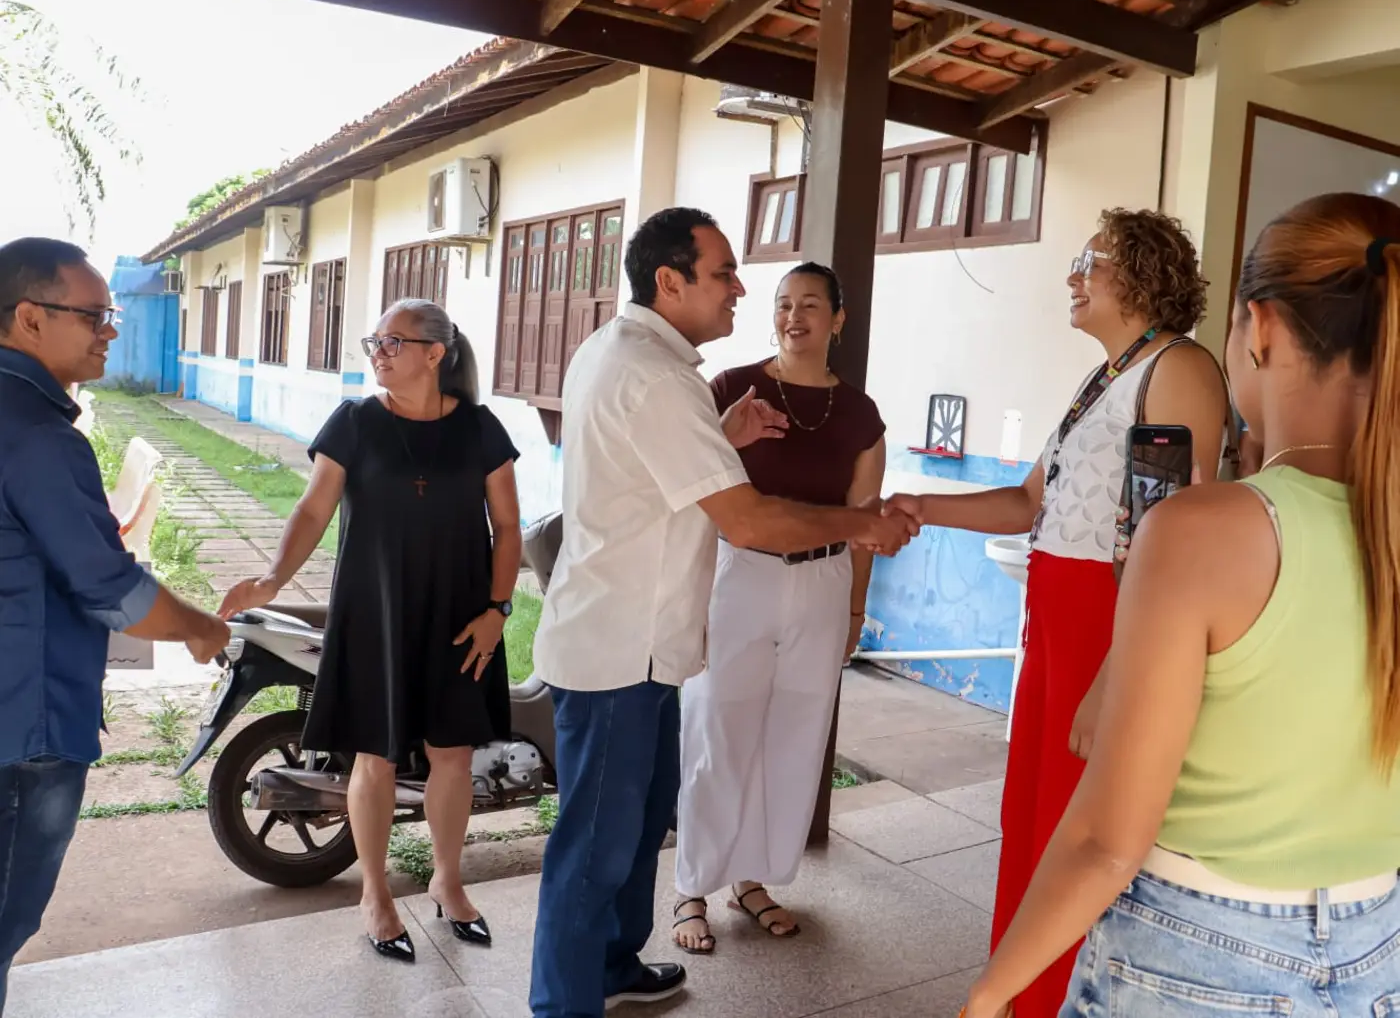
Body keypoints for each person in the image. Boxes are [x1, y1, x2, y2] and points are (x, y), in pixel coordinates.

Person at [959, 191, 1400, 1016]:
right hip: (1377, 947)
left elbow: (1105, 842)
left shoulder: (1204, 528)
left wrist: (989, 993)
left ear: (1259, 328)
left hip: (1194, 952)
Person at [528, 208, 918, 1018]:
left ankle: (613, 964)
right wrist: (861, 524)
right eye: (724, 274)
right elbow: (748, 520)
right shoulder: (659, 377)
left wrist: (722, 431)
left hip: (645, 642)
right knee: (596, 845)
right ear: (670, 282)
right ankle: (563, 1004)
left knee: (639, 822)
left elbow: (661, 471)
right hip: (616, 646)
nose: (741, 289)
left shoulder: (631, 354)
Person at [885, 209, 1230, 1018]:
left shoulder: (1177, 368)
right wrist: (922, 505)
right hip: (1055, 627)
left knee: (1078, 827)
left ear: (1140, 273)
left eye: (1090, 260)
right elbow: (1027, 501)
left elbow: (1172, 535)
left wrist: (1118, 673)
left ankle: (1058, 1000)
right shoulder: (1107, 375)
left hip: (1107, 630)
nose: (1073, 276)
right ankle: (1017, 995)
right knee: (1033, 817)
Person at [219, 299, 520, 963]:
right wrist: (270, 580)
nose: (377, 352)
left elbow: (507, 526)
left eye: (391, 341)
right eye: (375, 341)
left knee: (452, 755)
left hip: (460, 616)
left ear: (435, 353)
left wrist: (497, 611)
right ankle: (375, 893)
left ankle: (447, 881)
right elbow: (313, 508)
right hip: (375, 609)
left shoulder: (479, 428)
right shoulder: (355, 421)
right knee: (374, 756)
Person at [0, 237, 230, 1011]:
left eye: (112, 315)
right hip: (24, 728)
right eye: (94, 315)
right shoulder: (37, 435)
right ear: (30, 318)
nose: (110, 331)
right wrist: (197, 625)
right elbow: (108, 586)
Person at [671, 262, 886, 952]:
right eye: (785, 304)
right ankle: (691, 886)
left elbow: (865, 521)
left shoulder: (860, 414)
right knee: (717, 728)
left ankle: (752, 878)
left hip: (823, 582)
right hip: (740, 575)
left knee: (793, 734)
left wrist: (854, 611)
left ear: (838, 319)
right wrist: (691, 596)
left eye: (811, 304)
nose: (795, 317)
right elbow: (696, 498)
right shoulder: (733, 389)